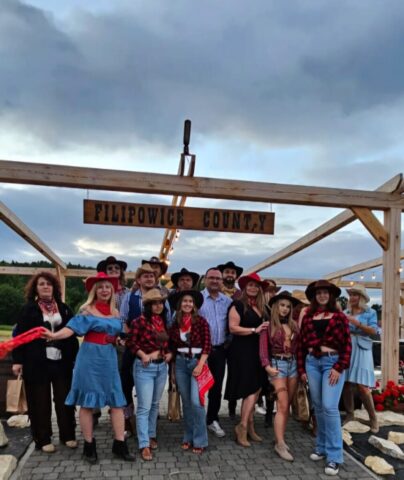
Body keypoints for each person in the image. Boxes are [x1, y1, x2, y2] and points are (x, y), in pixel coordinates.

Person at [41, 272, 135, 463]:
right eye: (100, 287)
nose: (104, 290)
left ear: (112, 291)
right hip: (90, 359)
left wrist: (118, 339)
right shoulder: (87, 310)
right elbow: (70, 329)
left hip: (109, 359)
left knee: (117, 403)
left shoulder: (116, 313)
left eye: (108, 287)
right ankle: (89, 446)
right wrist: (54, 335)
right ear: (94, 291)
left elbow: (117, 334)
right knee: (87, 404)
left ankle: (120, 444)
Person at [12, 272, 79, 453]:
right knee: (39, 401)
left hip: (61, 362)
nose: (45, 287)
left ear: (54, 287)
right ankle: (43, 439)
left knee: (64, 399)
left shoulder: (64, 308)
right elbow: (19, 336)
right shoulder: (28, 309)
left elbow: (72, 333)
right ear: (35, 288)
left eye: (49, 284)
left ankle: (68, 434)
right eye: (41, 284)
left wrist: (74, 356)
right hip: (36, 362)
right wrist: (17, 361)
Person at [297, 280, 351, 476]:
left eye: (325, 292)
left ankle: (335, 456)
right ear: (314, 296)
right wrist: (302, 369)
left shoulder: (339, 317)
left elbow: (347, 344)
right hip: (312, 363)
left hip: (332, 363)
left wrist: (339, 367)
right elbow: (301, 345)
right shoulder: (308, 317)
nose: (322, 295)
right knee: (318, 406)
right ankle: (321, 446)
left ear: (331, 296)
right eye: (318, 293)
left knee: (330, 407)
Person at [127, 289, 172, 461]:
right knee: (144, 407)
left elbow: (167, 343)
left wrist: (169, 353)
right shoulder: (139, 321)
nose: (158, 306)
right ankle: (144, 443)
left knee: (154, 404)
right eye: (154, 303)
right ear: (148, 305)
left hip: (161, 367)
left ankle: (151, 435)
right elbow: (131, 342)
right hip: (144, 367)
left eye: (161, 303)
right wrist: (143, 354)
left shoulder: (163, 321)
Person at [225, 272, 269, 447]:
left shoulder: (261, 307)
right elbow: (233, 328)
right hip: (242, 351)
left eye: (256, 286)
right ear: (244, 287)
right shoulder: (237, 304)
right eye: (250, 285)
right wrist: (253, 330)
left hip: (257, 351)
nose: (253, 288)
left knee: (256, 388)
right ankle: (242, 426)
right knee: (251, 388)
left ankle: (250, 425)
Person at [119, 263, 161, 434]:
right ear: (138, 279)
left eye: (152, 276)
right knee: (126, 383)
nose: (149, 278)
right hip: (133, 347)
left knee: (151, 385)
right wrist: (131, 339)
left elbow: (166, 322)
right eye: (145, 276)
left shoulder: (161, 298)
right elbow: (123, 320)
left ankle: (149, 422)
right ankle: (128, 418)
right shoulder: (130, 297)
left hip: (154, 349)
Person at [168, 289, 211, 454]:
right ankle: (188, 435)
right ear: (180, 305)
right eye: (185, 301)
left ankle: (200, 439)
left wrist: (201, 364)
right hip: (180, 363)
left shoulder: (201, 321)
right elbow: (172, 347)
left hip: (196, 362)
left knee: (196, 401)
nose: (187, 304)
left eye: (190, 301)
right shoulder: (175, 323)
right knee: (186, 402)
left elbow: (207, 345)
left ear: (194, 305)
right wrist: (173, 371)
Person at [259, 291, 300, 461]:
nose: (285, 309)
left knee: (287, 405)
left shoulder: (294, 325)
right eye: (282, 305)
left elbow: (299, 348)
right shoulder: (268, 325)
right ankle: (280, 444)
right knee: (282, 405)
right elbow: (263, 348)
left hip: (293, 365)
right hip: (277, 366)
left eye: (288, 306)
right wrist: (267, 366)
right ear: (276, 306)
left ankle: (279, 438)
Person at [199, 268, 232, 438]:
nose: (214, 281)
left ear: (222, 281)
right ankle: (197, 420)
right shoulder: (197, 299)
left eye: (218, 279)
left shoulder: (227, 301)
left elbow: (232, 324)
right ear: (205, 279)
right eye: (211, 278)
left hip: (219, 350)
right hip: (200, 352)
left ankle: (212, 419)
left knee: (216, 387)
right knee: (198, 388)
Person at [342, 284, 379, 433]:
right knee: (346, 383)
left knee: (362, 386)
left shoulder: (371, 312)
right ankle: (350, 415)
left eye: (355, 295)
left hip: (363, 348)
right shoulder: (345, 312)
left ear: (362, 297)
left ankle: (373, 418)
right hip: (347, 347)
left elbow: (373, 331)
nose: (352, 297)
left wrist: (357, 323)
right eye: (351, 295)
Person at [217, 261, 243, 419]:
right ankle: (214, 409)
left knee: (235, 373)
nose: (229, 275)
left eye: (232, 273)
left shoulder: (240, 295)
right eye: (227, 272)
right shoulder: (215, 291)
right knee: (217, 376)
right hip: (218, 339)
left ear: (236, 276)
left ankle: (232, 405)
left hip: (235, 340)